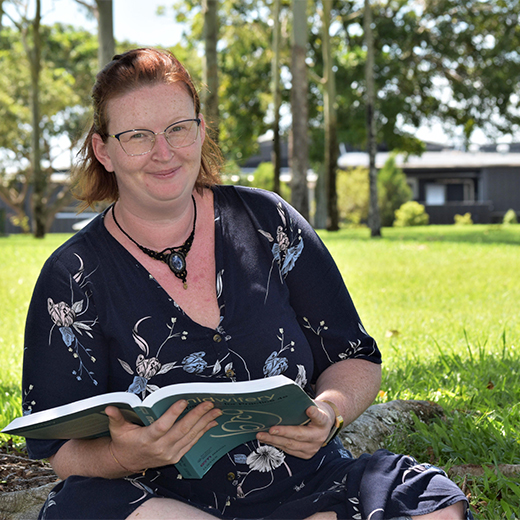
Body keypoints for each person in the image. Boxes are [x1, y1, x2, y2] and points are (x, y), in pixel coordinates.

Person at [22, 48, 472, 520]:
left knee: (429, 501)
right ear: (103, 150)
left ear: (200, 129)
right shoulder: (71, 277)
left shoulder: (269, 222)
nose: (164, 152)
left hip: (313, 484)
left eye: (178, 128)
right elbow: (59, 447)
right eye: (138, 136)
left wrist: (329, 413)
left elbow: (354, 356)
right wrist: (125, 456)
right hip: (162, 505)